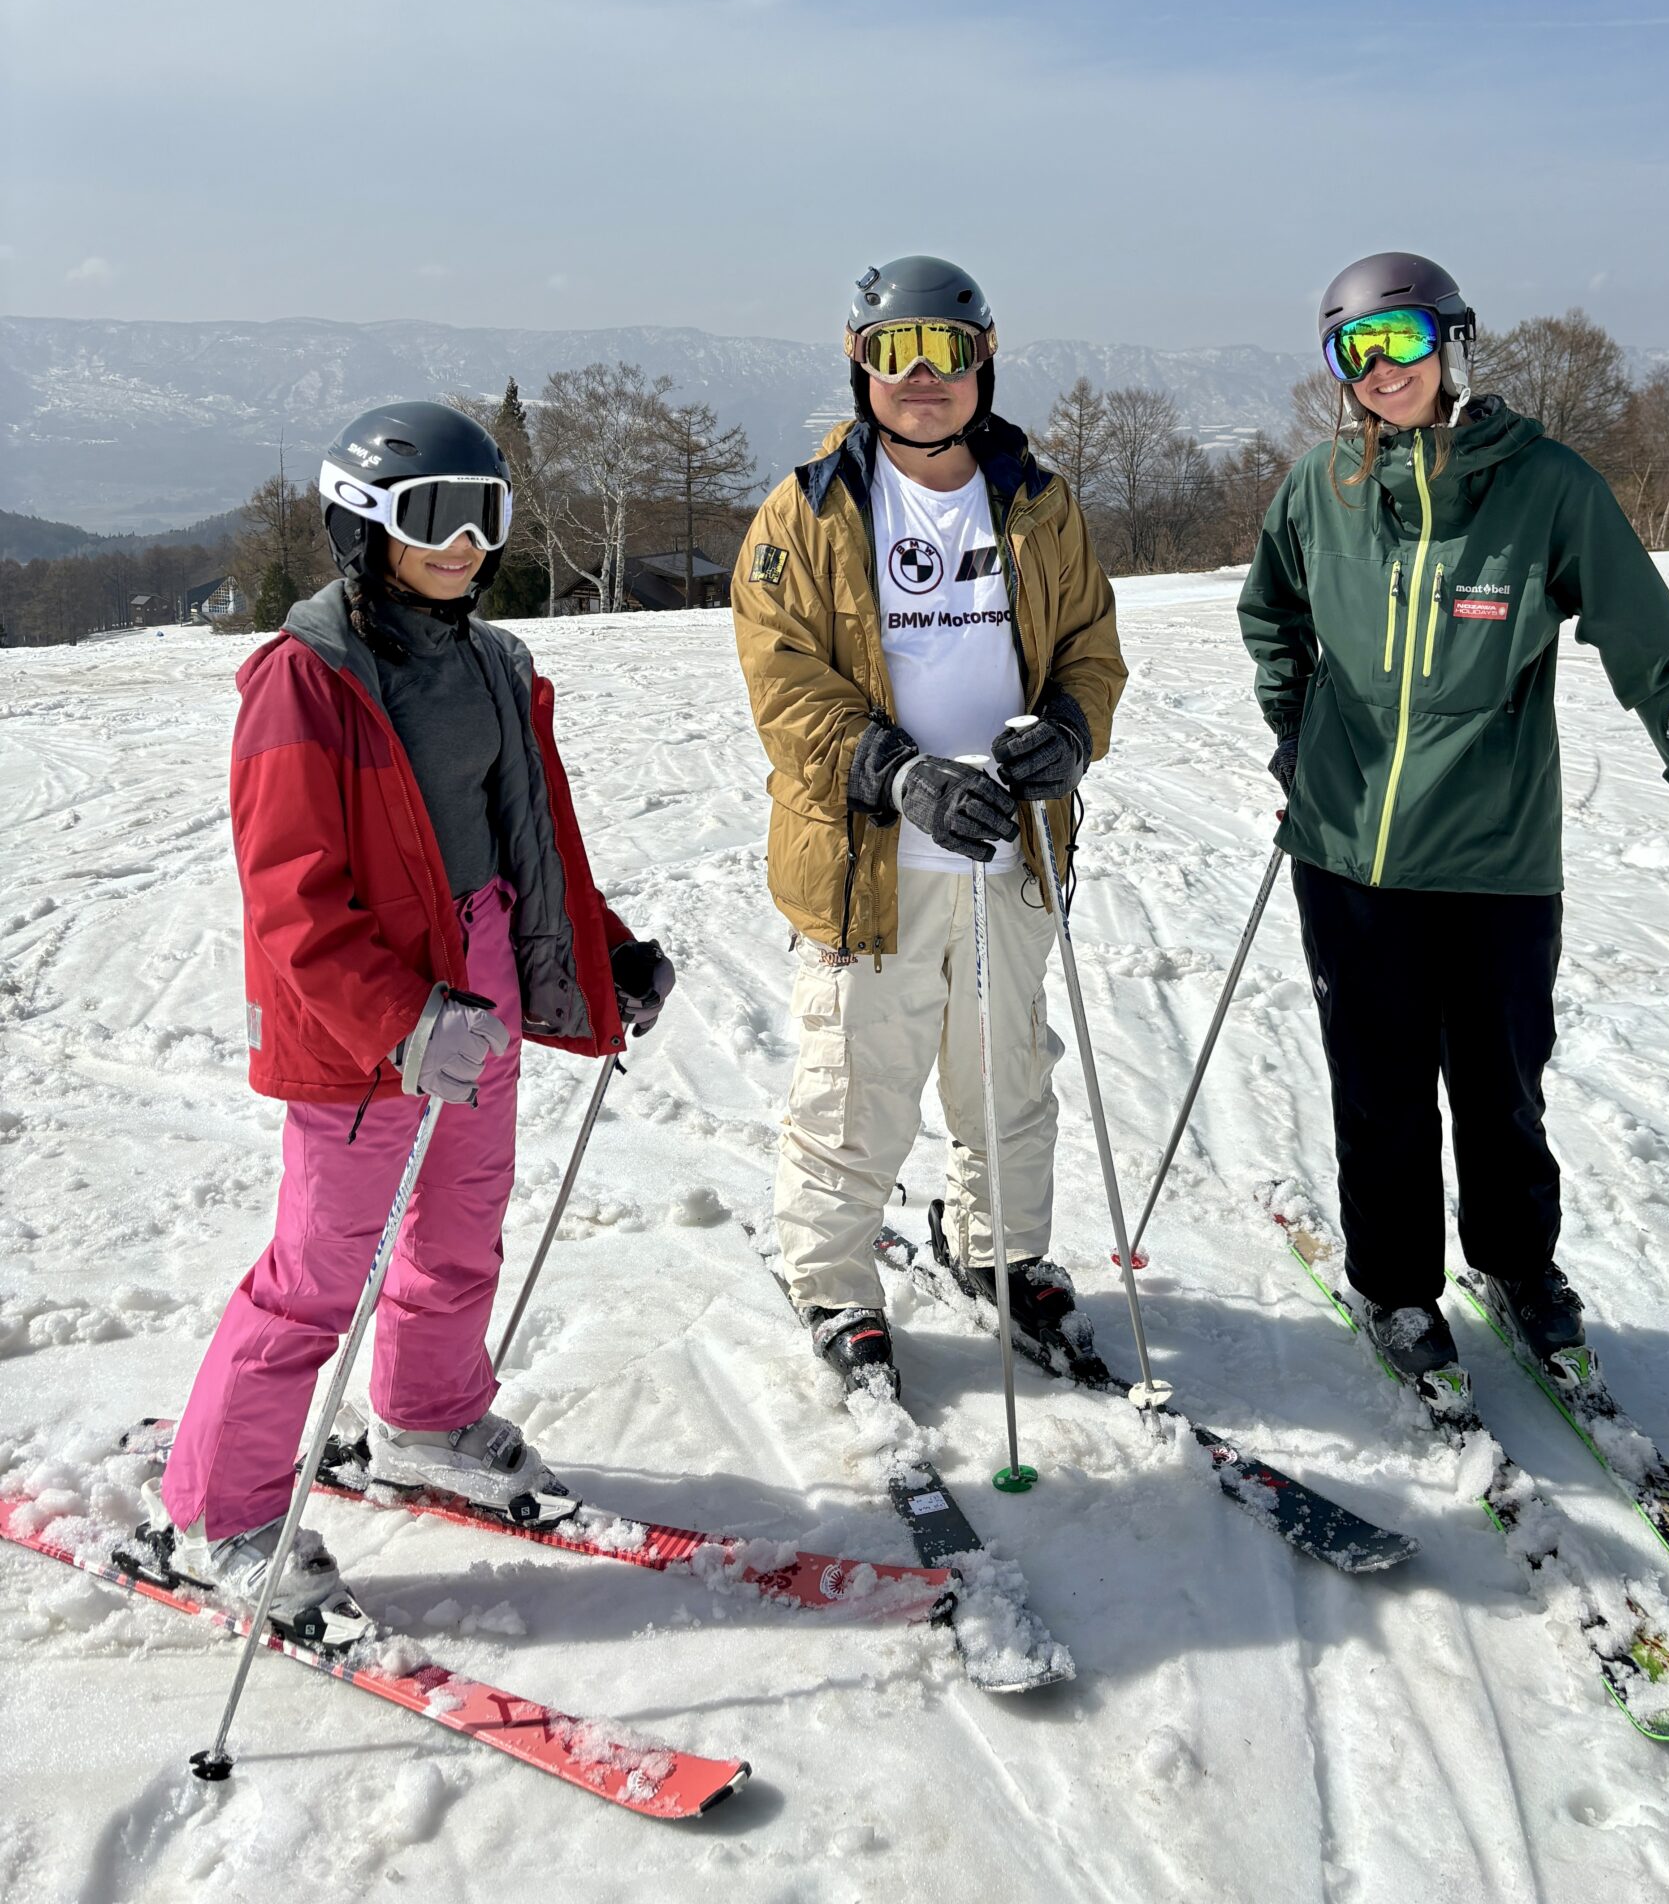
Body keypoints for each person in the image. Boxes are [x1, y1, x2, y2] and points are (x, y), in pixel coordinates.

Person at [147, 403, 673, 1636]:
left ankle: (427, 1416)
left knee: (461, 1222)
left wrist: (605, 953)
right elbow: (289, 898)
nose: (465, 544)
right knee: (316, 1274)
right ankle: (218, 1506)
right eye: (435, 515)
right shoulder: (305, 678)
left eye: (484, 516)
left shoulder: (493, 663)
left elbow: (530, 843)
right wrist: (398, 1019)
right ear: (364, 521)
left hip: (478, 981)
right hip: (364, 1016)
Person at [1240, 254, 1669, 1377]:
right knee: (1379, 1090)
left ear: (1452, 343)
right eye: (1354, 351)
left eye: (1402, 340)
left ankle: (1518, 1264)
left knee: (1502, 1080)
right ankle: (1395, 1290)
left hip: (1496, 852)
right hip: (1348, 850)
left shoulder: (1547, 486)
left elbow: (1644, 640)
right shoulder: (1319, 488)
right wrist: (1294, 730)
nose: (1382, 370)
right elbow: (1270, 610)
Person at [732, 257, 1127, 1398]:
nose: (921, 378)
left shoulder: (1039, 503)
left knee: (1005, 1076)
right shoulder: (804, 512)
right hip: (873, 861)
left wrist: (1067, 728)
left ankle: (1002, 1252)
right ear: (857, 360)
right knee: (858, 1084)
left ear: (984, 356)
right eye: (893, 352)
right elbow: (785, 681)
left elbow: (1092, 647)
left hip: (1008, 851)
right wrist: (897, 774)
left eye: (945, 352)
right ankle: (835, 1285)